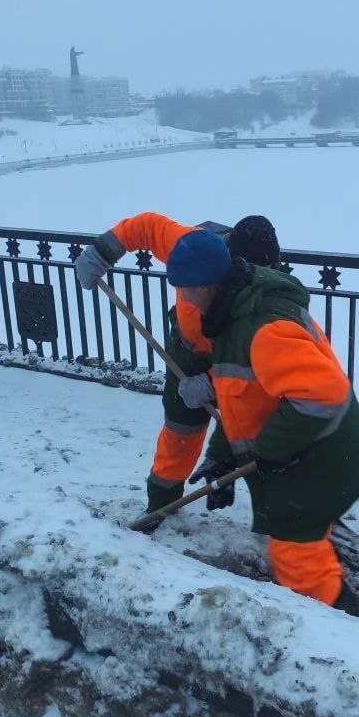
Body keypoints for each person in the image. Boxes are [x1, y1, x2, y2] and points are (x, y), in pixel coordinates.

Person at [170, 233, 359, 607]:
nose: (183, 300)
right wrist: (223, 455)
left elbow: (322, 393)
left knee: (295, 553)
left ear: (206, 285)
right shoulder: (233, 314)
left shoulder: (261, 328)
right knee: (301, 538)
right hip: (317, 453)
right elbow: (247, 397)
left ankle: (345, 643)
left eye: (185, 292)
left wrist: (267, 451)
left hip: (325, 459)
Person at [74, 213, 281, 526]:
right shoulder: (194, 248)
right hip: (188, 350)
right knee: (180, 427)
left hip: (242, 362)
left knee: (255, 435)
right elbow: (144, 226)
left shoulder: (272, 299)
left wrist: (212, 383)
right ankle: (162, 501)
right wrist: (101, 252)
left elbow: (266, 362)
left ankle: (281, 522)